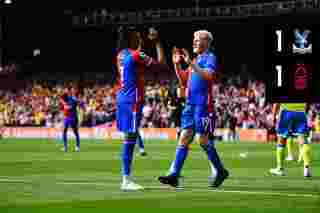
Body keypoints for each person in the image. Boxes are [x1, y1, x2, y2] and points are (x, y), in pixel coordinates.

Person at [158, 30, 229, 188]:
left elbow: (209, 76)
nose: (194, 42)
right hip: (190, 104)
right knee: (184, 137)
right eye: (194, 39)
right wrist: (177, 64)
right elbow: (184, 79)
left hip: (204, 104)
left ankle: (220, 171)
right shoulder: (196, 60)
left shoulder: (210, 58)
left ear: (207, 42)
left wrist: (191, 63)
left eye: (198, 39)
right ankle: (174, 175)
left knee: (202, 140)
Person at [115, 26, 165, 190]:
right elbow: (161, 65)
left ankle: (126, 178)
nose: (141, 40)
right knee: (130, 140)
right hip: (133, 100)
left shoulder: (121, 55)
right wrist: (157, 42)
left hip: (122, 97)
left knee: (129, 137)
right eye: (138, 37)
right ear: (132, 39)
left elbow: (135, 69)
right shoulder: (136, 54)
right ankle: (126, 180)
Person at [270, 103, 312, 177]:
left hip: (286, 112)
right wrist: (304, 111)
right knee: (303, 139)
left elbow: (276, 103)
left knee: (281, 139)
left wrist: (273, 116)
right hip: (301, 112)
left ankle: (280, 168)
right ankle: (306, 168)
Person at [60, 88, 84, 152]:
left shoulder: (73, 100)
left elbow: (68, 108)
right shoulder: (66, 98)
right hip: (67, 117)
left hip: (73, 117)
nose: (66, 92)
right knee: (64, 131)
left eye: (67, 91)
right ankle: (65, 147)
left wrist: (63, 103)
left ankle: (77, 146)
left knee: (75, 132)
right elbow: (62, 101)